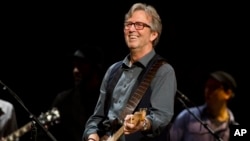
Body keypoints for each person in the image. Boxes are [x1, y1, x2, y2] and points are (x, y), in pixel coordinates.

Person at [83, 2, 177, 141]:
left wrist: (143, 124)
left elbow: (161, 116)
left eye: (139, 25)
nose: (132, 29)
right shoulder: (113, 70)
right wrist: (91, 135)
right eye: (128, 24)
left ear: (153, 35)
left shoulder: (163, 71)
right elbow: (97, 117)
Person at [39, 46, 104, 141]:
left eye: (81, 64)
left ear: (95, 66)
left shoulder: (110, 98)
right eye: (74, 65)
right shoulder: (63, 100)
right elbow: (44, 134)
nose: (75, 70)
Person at [169, 70, 238, 141]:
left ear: (227, 94)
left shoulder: (235, 128)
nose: (208, 91)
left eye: (214, 87)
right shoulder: (187, 116)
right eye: (207, 86)